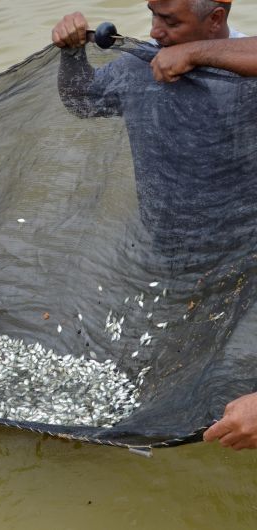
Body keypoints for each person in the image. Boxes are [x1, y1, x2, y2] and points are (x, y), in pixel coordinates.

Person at [53, 1, 257, 450]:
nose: (155, 31)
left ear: (216, 18)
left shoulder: (245, 74)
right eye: (153, 16)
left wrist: (198, 55)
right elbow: (82, 101)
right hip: (170, 253)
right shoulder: (135, 64)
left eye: (171, 22)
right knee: (176, 360)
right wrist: (71, 54)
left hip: (248, 253)